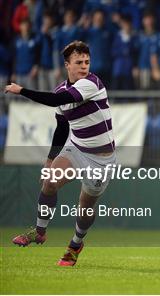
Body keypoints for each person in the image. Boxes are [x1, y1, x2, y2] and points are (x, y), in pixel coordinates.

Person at [5, 41, 116, 267]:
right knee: (49, 182)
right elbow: (62, 128)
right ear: (67, 65)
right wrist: (49, 161)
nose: (84, 66)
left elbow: (57, 100)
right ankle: (39, 231)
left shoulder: (91, 83)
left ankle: (75, 244)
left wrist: (22, 90)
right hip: (76, 148)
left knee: (84, 208)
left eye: (87, 61)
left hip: (100, 159)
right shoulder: (61, 90)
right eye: (79, 62)